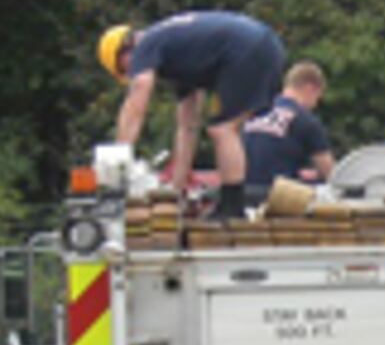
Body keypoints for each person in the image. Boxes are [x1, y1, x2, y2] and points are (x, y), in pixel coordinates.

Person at [100, 12, 289, 220]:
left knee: (223, 130)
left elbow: (136, 105)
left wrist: (118, 158)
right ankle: (231, 204)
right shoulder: (178, 56)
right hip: (260, 43)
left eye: (124, 70)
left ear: (124, 54)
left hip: (248, 48)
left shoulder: (146, 45)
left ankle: (233, 208)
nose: (131, 73)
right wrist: (176, 191)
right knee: (223, 129)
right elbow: (187, 127)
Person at [237, 63, 339, 206]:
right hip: (278, 199)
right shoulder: (304, 120)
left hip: (242, 195)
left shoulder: (254, 113)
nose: (315, 105)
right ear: (311, 89)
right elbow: (331, 175)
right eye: (317, 98)